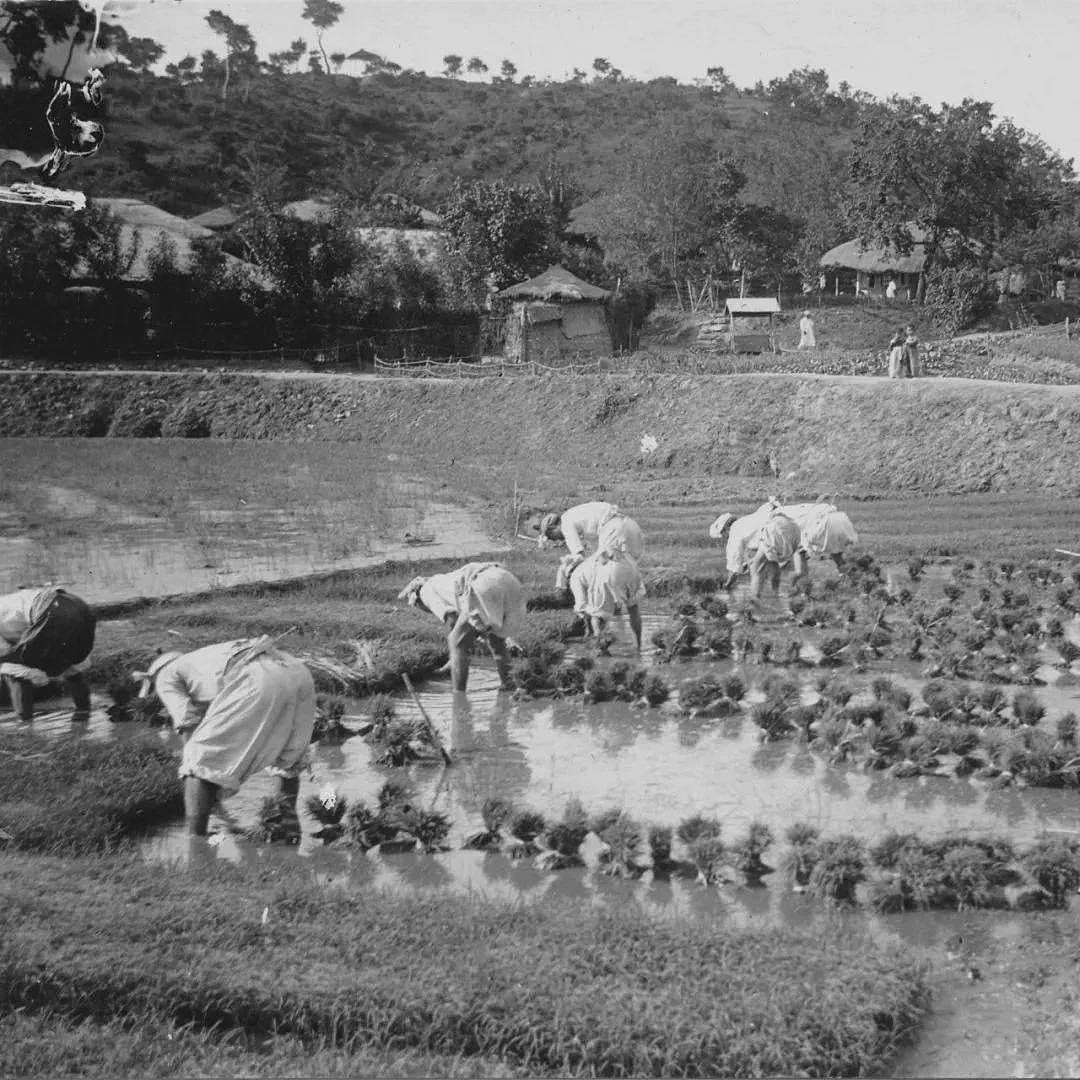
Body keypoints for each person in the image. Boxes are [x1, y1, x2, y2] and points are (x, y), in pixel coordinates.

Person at [133, 636, 316, 837]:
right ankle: (288, 825)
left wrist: (196, 771)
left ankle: (196, 840)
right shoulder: (202, 661)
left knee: (197, 760)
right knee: (287, 758)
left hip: (256, 678)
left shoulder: (165, 676)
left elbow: (188, 722)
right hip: (297, 672)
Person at [399, 562, 525, 692]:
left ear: (417, 600)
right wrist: (453, 661)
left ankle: (459, 697)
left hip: (482, 585)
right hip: (508, 579)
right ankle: (510, 686)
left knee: (456, 642)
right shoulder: (445, 580)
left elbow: (452, 618)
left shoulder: (425, 592)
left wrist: (457, 654)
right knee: (497, 643)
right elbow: (468, 622)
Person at [0, 584, 95, 722]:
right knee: (71, 663)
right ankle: (83, 714)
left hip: (49, 609)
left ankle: (25, 725)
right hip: (77, 605)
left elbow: (4, 652)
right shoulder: (7, 601)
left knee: (10, 668)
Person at [538, 501, 644, 584]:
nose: (555, 540)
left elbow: (579, 555)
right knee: (619, 568)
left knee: (605, 569)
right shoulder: (580, 520)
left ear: (554, 527)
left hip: (613, 528)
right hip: (628, 525)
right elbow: (594, 554)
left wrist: (566, 572)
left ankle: (613, 605)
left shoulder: (565, 523)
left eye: (551, 536)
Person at [568, 546, 645, 653]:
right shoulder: (612, 554)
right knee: (632, 607)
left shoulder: (578, 575)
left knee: (597, 613)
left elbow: (585, 607)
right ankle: (638, 646)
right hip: (629, 569)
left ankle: (598, 644)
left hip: (606, 574)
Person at [749, 507, 805, 599]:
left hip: (775, 529)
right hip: (793, 529)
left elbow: (753, 549)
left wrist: (752, 561)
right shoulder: (763, 514)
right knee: (772, 563)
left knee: (756, 569)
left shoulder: (743, 531)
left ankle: (755, 597)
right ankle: (776, 594)